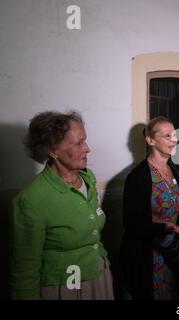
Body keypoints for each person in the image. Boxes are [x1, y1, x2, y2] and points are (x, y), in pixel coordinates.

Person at [10, 111, 114, 300]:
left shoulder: (87, 177)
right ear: (53, 150)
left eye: (85, 141)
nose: (88, 148)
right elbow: (25, 270)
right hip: (65, 288)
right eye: (78, 143)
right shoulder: (31, 200)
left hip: (98, 277)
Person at [119, 116, 179, 300]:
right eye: (167, 136)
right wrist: (163, 227)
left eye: (175, 135)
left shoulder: (173, 169)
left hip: (169, 256)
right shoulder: (138, 177)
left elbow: (175, 208)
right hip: (146, 259)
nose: (174, 140)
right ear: (150, 140)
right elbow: (131, 225)